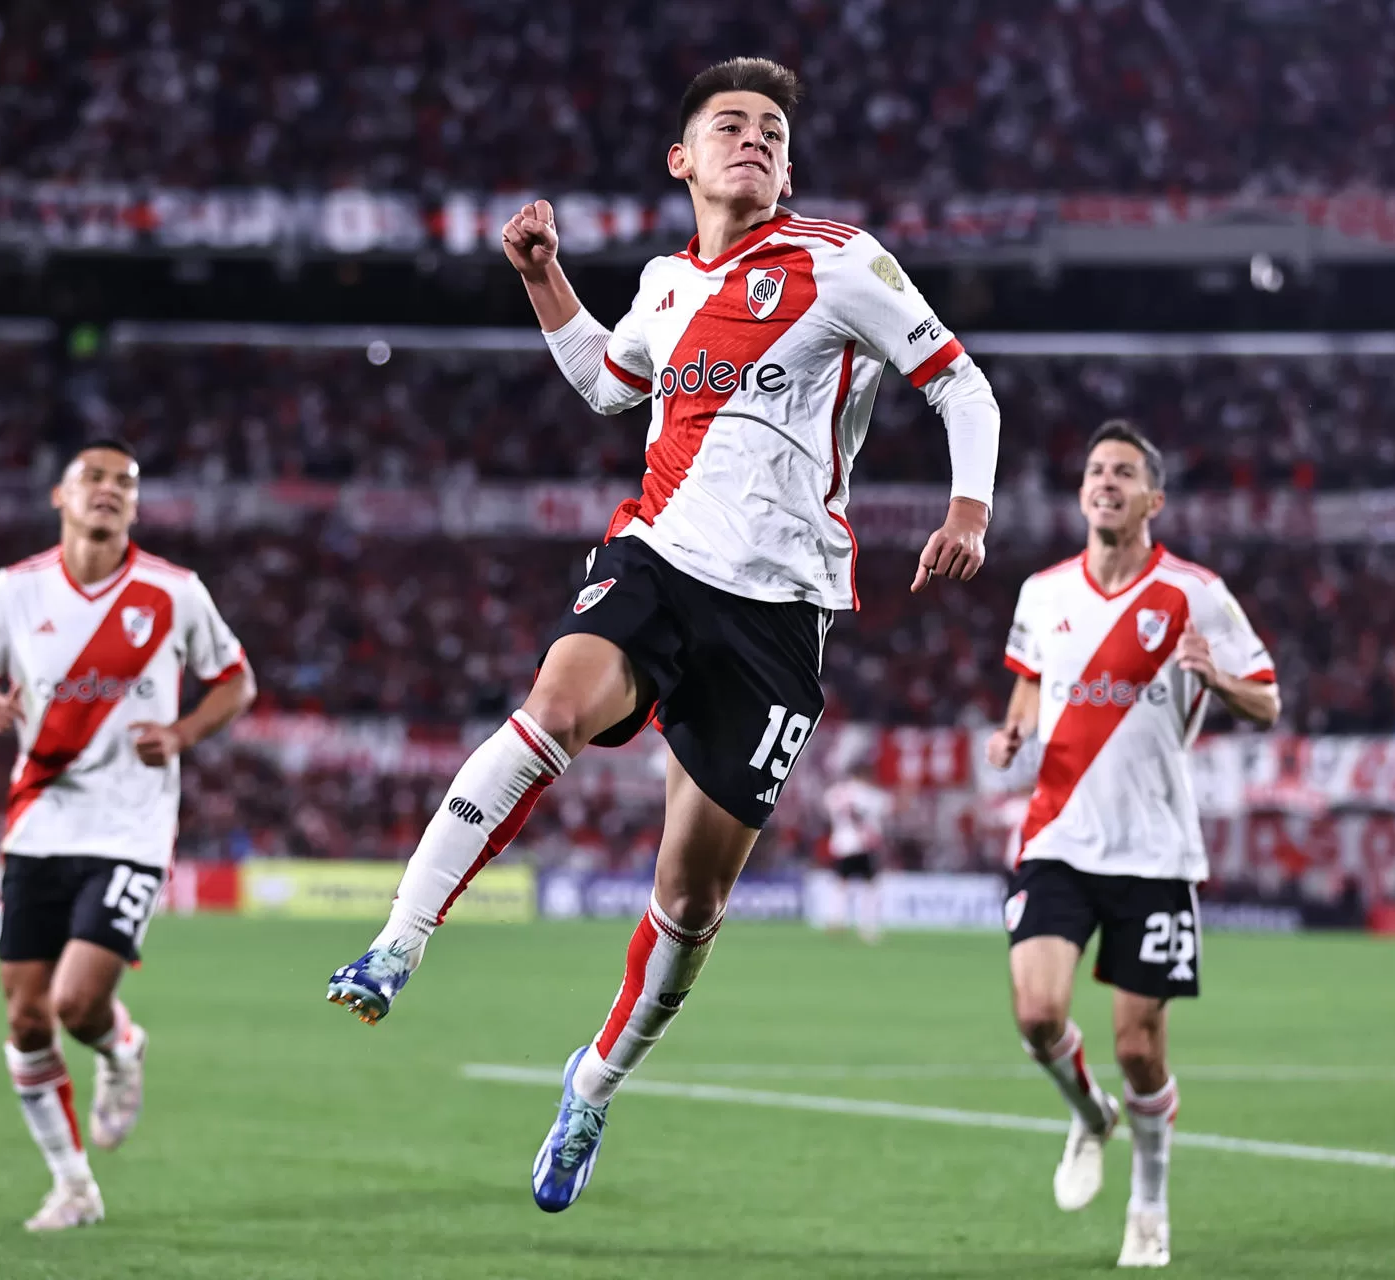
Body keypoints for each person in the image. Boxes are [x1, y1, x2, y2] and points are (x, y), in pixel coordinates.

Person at [324, 56, 1001, 1212]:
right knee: (554, 705)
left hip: (784, 611)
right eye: (729, 124)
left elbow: (961, 384)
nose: (755, 139)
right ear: (682, 160)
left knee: (690, 907)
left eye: (773, 129)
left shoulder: (841, 260)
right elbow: (607, 383)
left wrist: (968, 508)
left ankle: (592, 1083)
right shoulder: (665, 281)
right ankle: (398, 937)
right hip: (658, 558)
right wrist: (544, 279)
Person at [985, 421, 1279, 1269]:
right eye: (1094, 470)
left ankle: (1148, 1203)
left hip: (1154, 850)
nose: (1104, 481)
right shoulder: (1042, 593)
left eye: (1123, 473)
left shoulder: (1197, 594)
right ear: (1081, 492)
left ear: (1154, 499)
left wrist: (1216, 677)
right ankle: (1087, 1115)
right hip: (1057, 837)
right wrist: (1012, 735)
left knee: (1139, 1049)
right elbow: (1031, 685)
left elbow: (1268, 702)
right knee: (1038, 1014)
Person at [0, 441, 255, 1231]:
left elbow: (237, 681)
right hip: (37, 824)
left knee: (78, 1002)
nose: (110, 492)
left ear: (137, 506)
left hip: (131, 828)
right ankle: (73, 1186)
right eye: (95, 479)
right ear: (61, 495)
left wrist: (183, 733)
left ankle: (120, 1047)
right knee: (25, 1020)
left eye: (126, 483)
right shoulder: (13, 591)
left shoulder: (173, 592)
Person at [821, 766, 892, 942]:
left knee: (841, 885)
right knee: (870, 887)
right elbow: (882, 809)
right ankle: (867, 927)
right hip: (862, 845)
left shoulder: (835, 792)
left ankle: (836, 921)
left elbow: (829, 806)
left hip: (842, 845)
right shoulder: (869, 795)